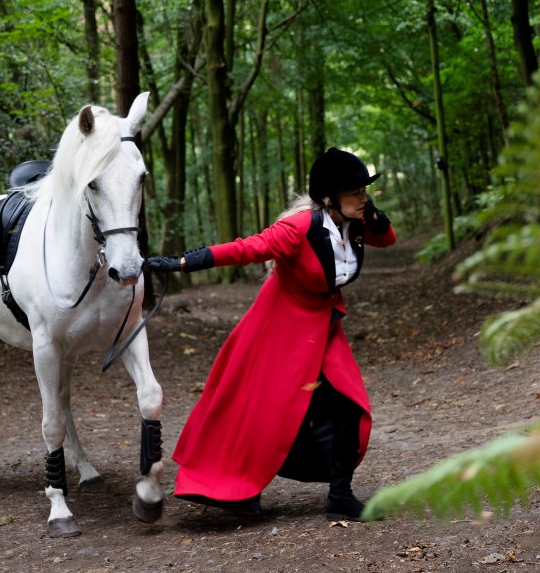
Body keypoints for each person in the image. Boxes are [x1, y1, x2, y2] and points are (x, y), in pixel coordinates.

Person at [146, 147, 397, 521]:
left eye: (365, 191)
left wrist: (373, 215)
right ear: (329, 198)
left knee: (349, 403)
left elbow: (387, 239)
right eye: (356, 192)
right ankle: (234, 488)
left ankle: (340, 496)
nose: (364, 198)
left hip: (322, 327)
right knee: (260, 408)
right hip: (279, 323)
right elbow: (247, 249)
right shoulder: (299, 228)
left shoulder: (357, 222)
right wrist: (183, 262)